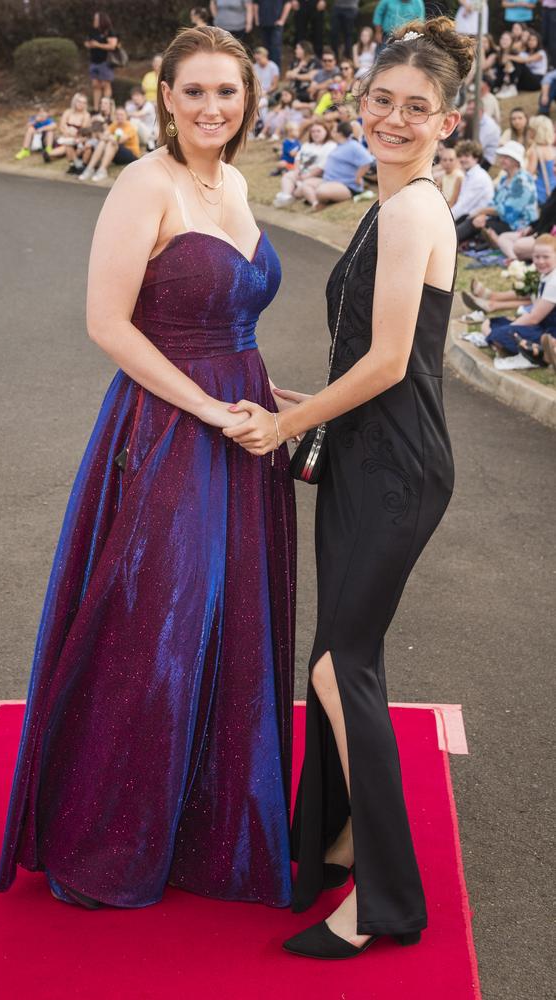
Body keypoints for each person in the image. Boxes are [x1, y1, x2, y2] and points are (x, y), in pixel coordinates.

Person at [0, 24, 296, 913]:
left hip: (245, 427)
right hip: (168, 431)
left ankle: (211, 824)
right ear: (165, 96)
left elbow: (234, 322)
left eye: (227, 92)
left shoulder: (236, 182)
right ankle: (112, 827)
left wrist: (280, 405)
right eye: (195, 91)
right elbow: (108, 322)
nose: (212, 107)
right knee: (154, 625)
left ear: (249, 100)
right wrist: (207, 410)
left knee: (232, 619)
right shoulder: (142, 183)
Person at [223, 15, 472, 960]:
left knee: (341, 667)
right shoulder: (390, 199)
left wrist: (290, 423)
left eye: (419, 108)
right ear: (360, 104)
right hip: (370, 453)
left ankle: (385, 901)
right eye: (384, 101)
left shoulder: (414, 210)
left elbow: (392, 359)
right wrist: (309, 404)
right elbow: (358, 360)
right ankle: (338, 837)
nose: (396, 119)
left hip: (397, 467)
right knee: (339, 649)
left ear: (449, 121)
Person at [482, 235, 556, 368]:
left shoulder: (554, 281)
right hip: (542, 326)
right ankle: (533, 349)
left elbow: (534, 318)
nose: (540, 261)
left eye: (546, 257)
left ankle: (543, 351)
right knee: (490, 323)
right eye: (537, 257)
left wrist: (512, 326)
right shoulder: (547, 275)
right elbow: (536, 309)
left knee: (498, 333)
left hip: (549, 331)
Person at [456, 140, 538, 243]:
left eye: (506, 157)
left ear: (516, 161)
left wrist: (483, 212)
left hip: (518, 225)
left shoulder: (522, 181)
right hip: (502, 220)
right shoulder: (505, 178)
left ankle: (449, 243)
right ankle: (451, 241)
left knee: (474, 221)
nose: (502, 160)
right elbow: (493, 202)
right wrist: (483, 215)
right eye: (502, 156)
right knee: (469, 217)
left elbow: (509, 211)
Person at [300, 120, 374, 208]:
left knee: (321, 191)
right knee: (305, 184)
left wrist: (358, 177)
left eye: (334, 130)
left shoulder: (353, 145)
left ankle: (320, 200)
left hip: (346, 185)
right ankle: (316, 203)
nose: (331, 132)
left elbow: (367, 161)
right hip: (328, 181)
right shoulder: (339, 145)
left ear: (339, 133)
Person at [272, 118, 337, 205]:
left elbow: (322, 167)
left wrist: (307, 176)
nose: (315, 134)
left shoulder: (330, 146)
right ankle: (286, 195)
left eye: (318, 131)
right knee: (288, 176)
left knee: (300, 188)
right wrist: (296, 171)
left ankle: (290, 194)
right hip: (300, 173)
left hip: (315, 177)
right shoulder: (307, 145)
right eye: (313, 131)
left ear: (326, 132)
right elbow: (298, 159)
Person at [79, 106, 140, 182]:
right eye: (117, 114)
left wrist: (109, 137)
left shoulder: (130, 126)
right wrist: (109, 137)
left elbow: (119, 140)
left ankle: (102, 171)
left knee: (111, 143)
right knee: (102, 142)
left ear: (126, 116)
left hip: (131, 155)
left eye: (121, 114)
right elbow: (103, 136)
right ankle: (89, 169)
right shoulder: (114, 124)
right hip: (116, 153)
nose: (119, 116)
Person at [451, 139, 495, 224]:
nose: (462, 159)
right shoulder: (469, 175)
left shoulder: (479, 177)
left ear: (476, 158)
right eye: (460, 156)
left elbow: (463, 207)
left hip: (476, 221)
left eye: (467, 156)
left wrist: (443, 220)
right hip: (467, 218)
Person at [85, 11, 119, 110]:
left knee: (105, 84)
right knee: (95, 85)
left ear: (101, 20)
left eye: (96, 19)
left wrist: (98, 45)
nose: (94, 21)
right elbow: (88, 42)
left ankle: (106, 107)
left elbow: (113, 46)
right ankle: (96, 108)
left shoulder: (109, 31)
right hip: (94, 61)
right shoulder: (93, 31)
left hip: (105, 62)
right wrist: (88, 44)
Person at [45, 93, 91, 163]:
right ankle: (56, 155)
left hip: (77, 140)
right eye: (79, 102)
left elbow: (83, 131)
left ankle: (50, 154)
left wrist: (72, 134)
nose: (81, 104)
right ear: (75, 102)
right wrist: (66, 133)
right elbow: (61, 126)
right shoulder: (68, 112)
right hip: (64, 137)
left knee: (67, 145)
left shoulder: (86, 115)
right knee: (65, 143)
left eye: (84, 103)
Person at [526, 115, 556, 206]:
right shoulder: (552, 149)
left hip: (541, 191)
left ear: (536, 131)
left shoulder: (535, 151)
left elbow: (528, 175)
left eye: (531, 129)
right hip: (553, 188)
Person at [252, 1, 293, 69]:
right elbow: (256, 3)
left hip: (276, 25)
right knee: (264, 49)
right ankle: (265, 71)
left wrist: (282, 20)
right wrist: (257, 19)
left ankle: (275, 72)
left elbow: (288, 3)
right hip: (263, 23)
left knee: (275, 49)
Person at [437, 144, 463, 208]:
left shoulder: (459, 176)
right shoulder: (443, 176)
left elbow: (453, 202)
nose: (448, 163)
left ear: (456, 161)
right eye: (445, 160)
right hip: (443, 205)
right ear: (441, 162)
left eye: (451, 160)